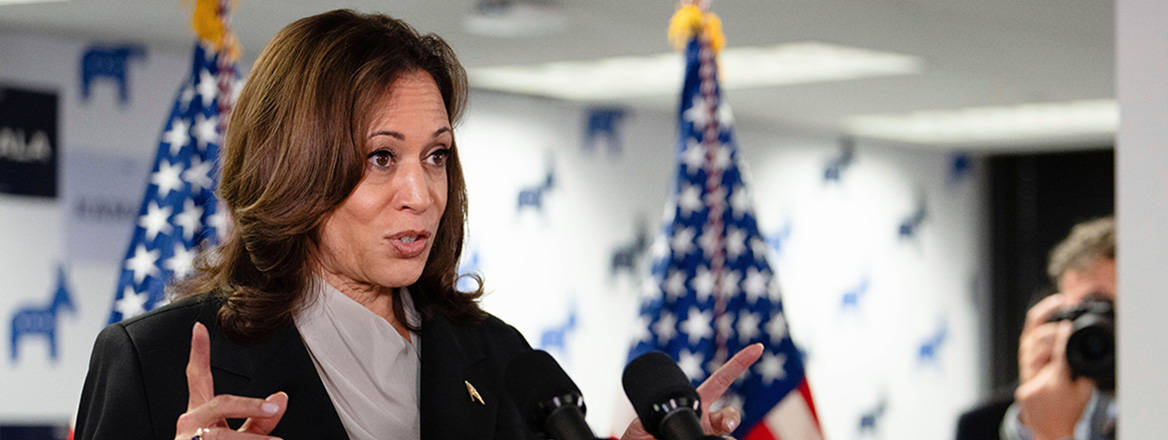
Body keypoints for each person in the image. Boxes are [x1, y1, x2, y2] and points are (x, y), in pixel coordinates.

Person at [74, 9, 758, 440]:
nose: (422, 193)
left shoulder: (499, 357)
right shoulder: (152, 361)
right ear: (293, 168)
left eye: (436, 155)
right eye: (380, 157)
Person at [1001, 217, 1116, 440]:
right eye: (1090, 312)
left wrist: (1053, 435)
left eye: (1113, 312)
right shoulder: (994, 424)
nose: (1105, 330)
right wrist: (1035, 419)